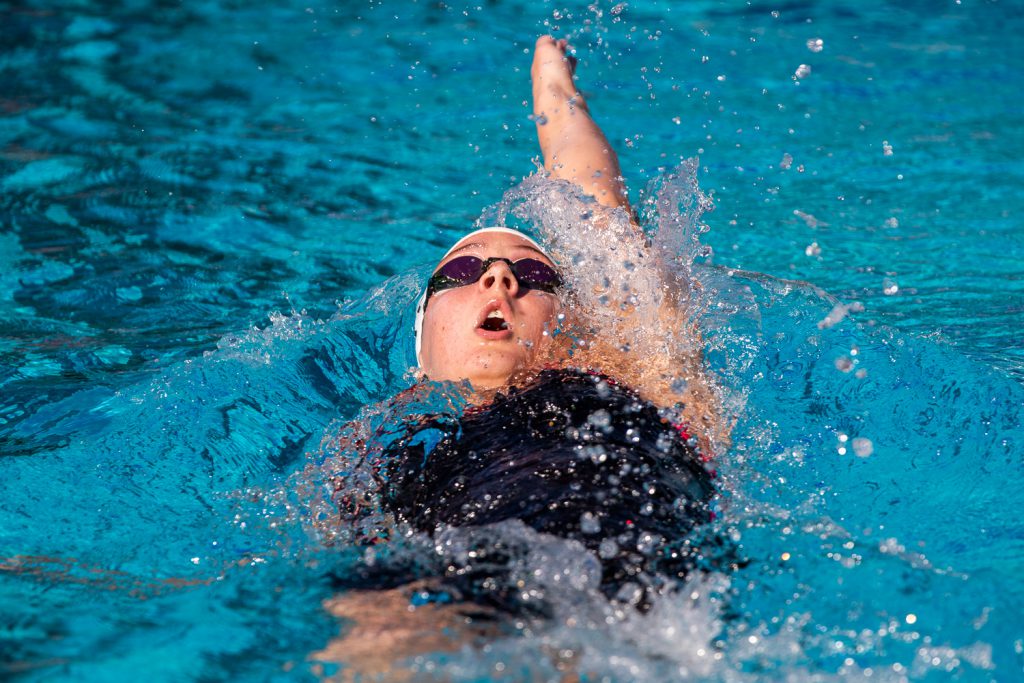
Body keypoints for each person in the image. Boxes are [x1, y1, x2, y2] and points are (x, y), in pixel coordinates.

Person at [311, 36, 729, 677]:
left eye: (533, 275)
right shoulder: (386, 435)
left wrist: (556, 99)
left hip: (631, 559)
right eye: (467, 270)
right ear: (424, 346)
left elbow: (598, 211)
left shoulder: (634, 373)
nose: (500, 279)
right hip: (451, 568)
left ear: (571, 328)